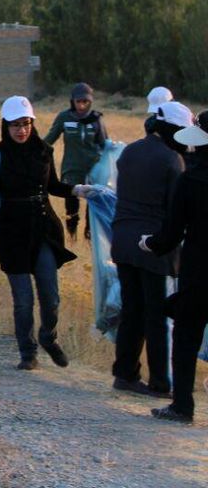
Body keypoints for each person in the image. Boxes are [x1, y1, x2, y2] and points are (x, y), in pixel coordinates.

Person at [0, 97, 78, 370]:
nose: (22, 130)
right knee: (23, 301)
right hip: (11, 234)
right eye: (16, 125)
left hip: (43, 230)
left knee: (50, 296)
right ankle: (27, 352)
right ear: (6, 126)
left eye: (26, 124)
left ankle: (48, 336)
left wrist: (77, 190)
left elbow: (53, 185)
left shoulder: (44, 150)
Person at [105, 101, 191, 398]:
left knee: (132, 310)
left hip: (123, 241)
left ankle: (125, 374)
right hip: (151, 246)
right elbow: (176, 209)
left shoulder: (130, 151)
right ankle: (159, 383)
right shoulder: (172, 160)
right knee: (155, 315)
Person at [139, 112, 208, 423]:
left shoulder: (190, 180)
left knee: (186, 337)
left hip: (197, 272)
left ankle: (182, 406)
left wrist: (148, 244)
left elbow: (169, 236)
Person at [43, 83, 108, 239]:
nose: (81, 105)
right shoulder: (64, 118)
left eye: (85, 102)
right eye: (78, 101)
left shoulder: (96, 119)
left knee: (92, 204)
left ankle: (89, 236)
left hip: (92, 168)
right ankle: (72, 236)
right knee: (71, 204)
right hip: (71, 168)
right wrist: (33, 151)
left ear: (90, 102)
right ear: (72, 101)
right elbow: (49, 140)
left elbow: (104, 145)